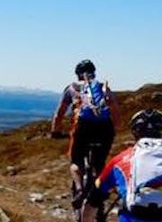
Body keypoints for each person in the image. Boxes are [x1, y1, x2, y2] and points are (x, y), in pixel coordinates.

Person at [51, 59, 119, 209]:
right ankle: (101, 189)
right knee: (100, 162)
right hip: (104, 128)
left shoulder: (72, 88)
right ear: (94, 72)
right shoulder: (102, 87)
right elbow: (114, 107)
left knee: (76, 161)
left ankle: (80, 189)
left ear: (78, 74)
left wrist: (55, 131)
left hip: (83, 127)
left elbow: (59, 114)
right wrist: (114, 129)